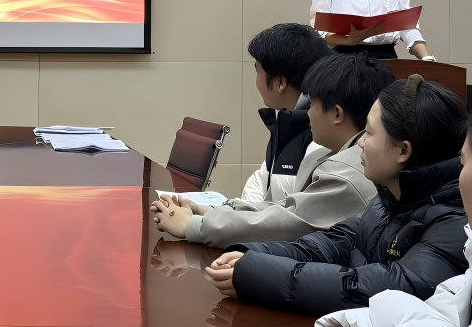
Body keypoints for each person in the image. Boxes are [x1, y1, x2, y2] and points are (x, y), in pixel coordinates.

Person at [205, 76, 468, 318]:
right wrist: (251, 255)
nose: (361, 142)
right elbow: (331, 245)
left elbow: (389, 288)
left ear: (403, 151)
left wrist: (257, 273)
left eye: (369, 133)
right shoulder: (388, 199)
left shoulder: (454, 221)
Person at [152, 53, 387, 247]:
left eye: (313, 105)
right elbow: (286, 208)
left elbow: (286, 224)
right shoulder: (332, 153)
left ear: (336, 113)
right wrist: (210, 211)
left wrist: (193, 226)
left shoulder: (348, 171)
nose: (307, 114)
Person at [313, 130, 472, 327]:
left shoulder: (445, 220)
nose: (360, 141)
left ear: (404, 150)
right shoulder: (383, 203)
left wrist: (385, 303)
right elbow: (445, 311)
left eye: (464, 162)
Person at [239, 23, 332, 204]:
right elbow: (259, 180)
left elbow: (291, 212)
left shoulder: (321, 135)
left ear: (280, 83)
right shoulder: (288, 120)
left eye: (257, 71)